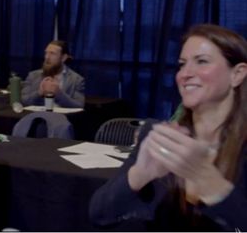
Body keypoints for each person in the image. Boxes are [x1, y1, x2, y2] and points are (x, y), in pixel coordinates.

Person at [89, 24, 247, 231]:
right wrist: (138, 175)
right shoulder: (159, 136)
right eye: (182, 64)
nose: (185, 74)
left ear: (237, 74)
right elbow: (99, 214)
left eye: (201, 61)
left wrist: (209, 182)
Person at [21, 40, 85, 108]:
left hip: (62, 117)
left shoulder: (76, 80)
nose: (47, 57)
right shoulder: (33, 76)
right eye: (46, 53)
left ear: (63, 58)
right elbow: (23, 101)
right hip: (39, 117)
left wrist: (58, 93)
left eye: (52, 53)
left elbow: (79, 105)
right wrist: (39, 93)